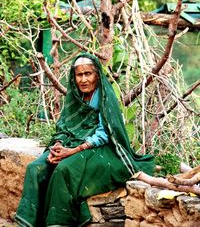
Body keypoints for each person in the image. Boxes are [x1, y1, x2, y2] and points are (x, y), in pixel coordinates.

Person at [15, 52, 155, 227]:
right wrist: (57, 147)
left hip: (100, 148)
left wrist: (72, 151)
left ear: (97, 74)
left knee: (64, 170)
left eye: (87, 74)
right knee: (35, 168)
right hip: (70, 143)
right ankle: (29, 223)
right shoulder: (75, 96)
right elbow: (64, 127)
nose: (83, 80)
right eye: (79, 75)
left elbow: (105, 134)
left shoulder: (105, 96)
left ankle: (58, 223)